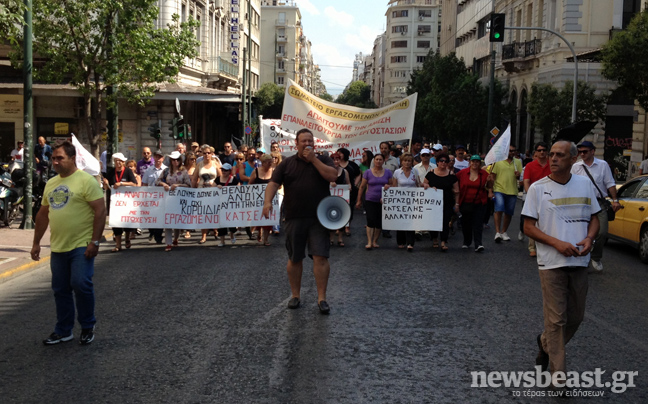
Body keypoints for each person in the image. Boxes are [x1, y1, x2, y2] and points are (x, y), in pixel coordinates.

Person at [522, 140, 600, 388]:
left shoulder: (584, 184)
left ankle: (545, 344)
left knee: (576, 317)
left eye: (560, 155)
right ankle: (559, 377)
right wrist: (556, 243)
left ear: (572, 159)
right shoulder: (537, 188)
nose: (553, 158)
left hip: (580, 260)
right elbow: (527, 227)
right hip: (551, 263)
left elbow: (595, 218)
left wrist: (589, 238)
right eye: (551, 154)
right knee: (556, 321)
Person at [31, 141, 106, 346]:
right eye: (53, 158)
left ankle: (87, 326)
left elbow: (100, 210)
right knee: (60, 289)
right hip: (58, 246)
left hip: (81, 244)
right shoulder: (51, 183)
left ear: (72, 158)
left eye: (59, 158)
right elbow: (43, 214)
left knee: (81, 284)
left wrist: (95, 241)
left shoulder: (85, 181)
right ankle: (64, 330)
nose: (55, 162)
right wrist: (36, 242)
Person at [262, 128, 337, 314]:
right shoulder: (286, 163)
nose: (307, 144)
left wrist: (313, 160)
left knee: (320, 257)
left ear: (314, 143)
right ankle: (295, 296)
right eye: (303, 141)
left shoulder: (323, 159)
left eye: (310, 140)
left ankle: (322, 298)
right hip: (294, 217)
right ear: (296, 144)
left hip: (319, 218)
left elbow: (333, 176)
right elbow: (273, 183)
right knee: (295, 257)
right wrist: (267, 202)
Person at [570, 141, 621, 272]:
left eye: (585, 151)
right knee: (581, 232)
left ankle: (596, 257)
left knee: (602, 232)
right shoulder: (576, 167)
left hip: (598, 203)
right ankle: (582, 258)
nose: (582, 154)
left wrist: (615, 200)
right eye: (580, 152)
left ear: (592, 151)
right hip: (581, 202)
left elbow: (610, 183)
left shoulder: (602, 165)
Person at [157, 151, 192, 252]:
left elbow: (188, 185)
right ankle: (168, 242)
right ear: (171, 160)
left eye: (177, 159)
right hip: (167, 199)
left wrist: (178, 186)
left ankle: (175, 239)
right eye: (173, 159)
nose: (175, 161)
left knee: (176, 220)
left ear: (180, 160)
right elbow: (157, 181)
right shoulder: (166, 171)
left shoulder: (184, 171)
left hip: (179, 199)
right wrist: (164, 185)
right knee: (168, 220)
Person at [424, 152, 459, 252]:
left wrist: (457, 203)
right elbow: (424, 185)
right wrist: (430, 187)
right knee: (433, 221)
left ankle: (443, 241)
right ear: (437, 162)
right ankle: (434, 238)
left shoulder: (451, 175)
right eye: (441, 161)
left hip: (447, 202)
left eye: (446, 161)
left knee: (445, 221)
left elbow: (457, 191)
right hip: (433, 203)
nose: (443, 163)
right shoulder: (431, 173)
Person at [356, 154, 393, 250]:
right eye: (377, 159)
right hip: (370, 199)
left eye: (380, 159)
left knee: (379, 221)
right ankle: (369, 241)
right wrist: (359, 200)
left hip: (383, 200)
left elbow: (392, 185)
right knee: (370, 219)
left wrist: (388, 187)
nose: (378, 161)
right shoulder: (368, 172)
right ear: (374, 161)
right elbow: (362, 186)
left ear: (383, 161)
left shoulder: (388, 172)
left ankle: (375, 241)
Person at [103, 153, 137, 252]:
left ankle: (127, 238)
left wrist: (121, 183)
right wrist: (106, 184)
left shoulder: (128, 171)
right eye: (116, 160)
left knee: (126, 221)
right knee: (116, 222)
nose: (118, 162)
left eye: (120, 161)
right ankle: (118, 245)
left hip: (126, 201)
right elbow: (107, 188)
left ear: (123, 162)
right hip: (114, 201)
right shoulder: (110, 172)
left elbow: (134, 184)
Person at [521, 142, 551, 256]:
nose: (542, 152)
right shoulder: (530, 166)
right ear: (536, 153)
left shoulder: (551, 165)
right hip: (535, 196)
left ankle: (546, 244)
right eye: (539, 150)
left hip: (549, 197)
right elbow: (526, 181)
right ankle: (532, 247)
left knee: (547, 221)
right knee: (533, 222)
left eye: (544, 150)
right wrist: (530, 195)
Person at [488, 145, 522, 242]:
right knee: (499, 209)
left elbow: (519, 178)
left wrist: (518, 176)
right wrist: (490, 191)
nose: (511, 152)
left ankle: (504, 231)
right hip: (499, 189)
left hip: (512, 191)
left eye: (513, 151)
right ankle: (497, 232)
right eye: (509, 150)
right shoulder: (498, 162)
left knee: (509, 212)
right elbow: (492, 177)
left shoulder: (518, 162)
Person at [456, 155, 489, 252]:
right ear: (469, 162)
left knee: (478, 223)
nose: (475, 163)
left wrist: (490, 181)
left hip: (479, 202)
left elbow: (489, 187)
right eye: (473, 161)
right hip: (465, 202)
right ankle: (467, 241)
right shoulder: (462, 173)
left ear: (480, 163)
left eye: (477, 162)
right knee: (466, 223)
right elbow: (454, 182)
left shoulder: (484, 174)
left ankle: (478, 244)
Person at [389, 153, 420, 252]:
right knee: (401, 220)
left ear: (411, 162)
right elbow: (394, 187)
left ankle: (410, 242)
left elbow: (418, 184)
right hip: (400, 200)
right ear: (401, 162)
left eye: (409, 161)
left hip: (412, 200)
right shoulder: (397, 172)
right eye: (405, 161)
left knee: (411, 221)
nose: (407, 163)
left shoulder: (415, 171)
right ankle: (401, 241)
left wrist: (426, 187)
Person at [192, 145, 221, 244]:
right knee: (203, 214)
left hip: (213, 192)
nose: (207, 155)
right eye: (204, 153)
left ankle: (215, 230)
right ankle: (203, 235)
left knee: (214, 212)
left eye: (209, 153)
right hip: (201, 192)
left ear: (212, 154)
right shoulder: (199, 164)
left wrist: (216, 185)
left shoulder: (215, 164)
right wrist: (192, 190)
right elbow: (194, 178)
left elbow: (221, 177)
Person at [142, 150, 167, 243]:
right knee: (151, 217)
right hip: (150, 197)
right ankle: (152, 231)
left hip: (162, 197)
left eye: (160, 157)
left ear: (163, 158)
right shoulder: (149, 170)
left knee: (160, 216)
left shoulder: (166, 169)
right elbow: (144, 183)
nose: (158, 159)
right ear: (154, 158)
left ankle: (158, 236)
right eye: (156, 157)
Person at [249, 154, 275, 246]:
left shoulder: (274, 171)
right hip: (257, 199)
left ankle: (266, 239)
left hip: (269, 198)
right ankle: (259, 232)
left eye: (271, 162)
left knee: (268, 219)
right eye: (268, 163)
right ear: (263, 163)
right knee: (258, 217)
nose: (270, 164)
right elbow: (250, 184)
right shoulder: (255, 171)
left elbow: (278, 185)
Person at [337, 148, 360, 237]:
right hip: (337, 190)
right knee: (338, 207)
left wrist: (354, 184)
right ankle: (338, 227)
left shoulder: (352, 165)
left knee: (349, 208)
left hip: (349, 190)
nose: (339, 155)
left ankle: (347, 226)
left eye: (341, 153)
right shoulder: (335, 164)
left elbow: (358, 174)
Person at [328, 152, 350, 247]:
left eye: (337, 159)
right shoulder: (327, 171)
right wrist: (330, 183)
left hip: (341, 198)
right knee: (330, 217)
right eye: (334, 159)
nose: (336, 161)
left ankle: (340, 238)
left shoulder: (345, 172)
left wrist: (349, 187)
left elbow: (349, 183)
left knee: (341, 217)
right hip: (330, 199)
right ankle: (331, 238)